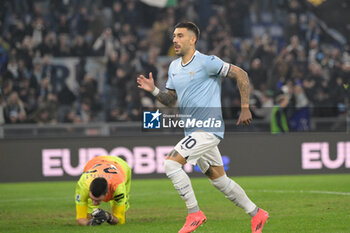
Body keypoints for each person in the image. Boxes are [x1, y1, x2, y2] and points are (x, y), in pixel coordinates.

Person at [137, 22, 269, 233]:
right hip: (193, 131)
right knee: (220, 181)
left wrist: (245, 108)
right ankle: (257, 213)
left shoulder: (207, 62)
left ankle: (194, 213)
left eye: (180, 36)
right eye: (174, 36)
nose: (174, 40)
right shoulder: (173, 67)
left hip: (208, 129)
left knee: (171, 164)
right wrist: (154, 91)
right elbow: (170, 100)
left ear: (192, 39)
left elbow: (241, 74)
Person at [75, 155, 131, 226]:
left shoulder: (118, 188)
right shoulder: (83, 185)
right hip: (96, 161)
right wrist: (90, 223)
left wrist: (107, 216)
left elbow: (120, 221)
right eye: (92, 199)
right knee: (89, 213)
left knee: (121, 217)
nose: (94, 203)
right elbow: (80, 219)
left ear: (107, 194)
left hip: (121, 166)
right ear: (89, 191)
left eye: (98, 200)